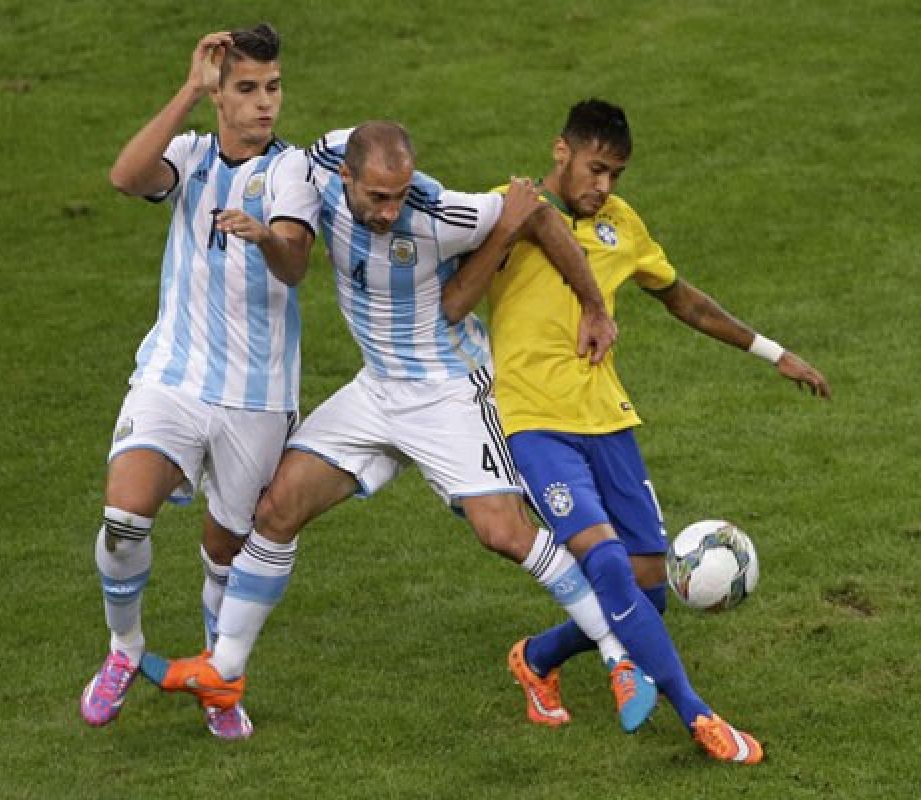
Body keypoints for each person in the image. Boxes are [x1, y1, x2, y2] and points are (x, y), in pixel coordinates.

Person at [139, 121, 657, 736]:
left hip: (450, 393)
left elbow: (537, 216)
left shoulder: (441, 211)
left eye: (400, 194)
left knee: (505, 533)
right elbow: (279, 155)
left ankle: (620, 659)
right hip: (377, 390)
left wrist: (595, 307)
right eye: (378, 197)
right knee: (276, 510)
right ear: (347, 177)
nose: (390, 210)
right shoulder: (323, 164)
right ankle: (226, 669)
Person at [452, 98, 832, 764]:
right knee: (603, 563)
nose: (604, 187)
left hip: (610, 423)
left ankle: (535, 659)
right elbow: (444, 282)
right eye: (596, 169)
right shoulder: (503, 208)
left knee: (649, 590)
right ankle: (700, 716)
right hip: (535, 426)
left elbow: (681, 296)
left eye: (616, 175)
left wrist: (775, 353)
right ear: (561, 151)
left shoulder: (621, 226)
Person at [77, 24, 320, 741]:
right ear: (221, 93)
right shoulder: (187, 155)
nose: (264, 104)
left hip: (256, 398)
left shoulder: (291, 172)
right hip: (173, 378)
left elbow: (297, 265)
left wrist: (266, 236)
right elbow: (125, 177)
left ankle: (219, 678)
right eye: (247, 89)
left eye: (272, 87)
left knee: (225, 550)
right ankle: (125, 652)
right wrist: (188, 88)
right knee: (124, 519)